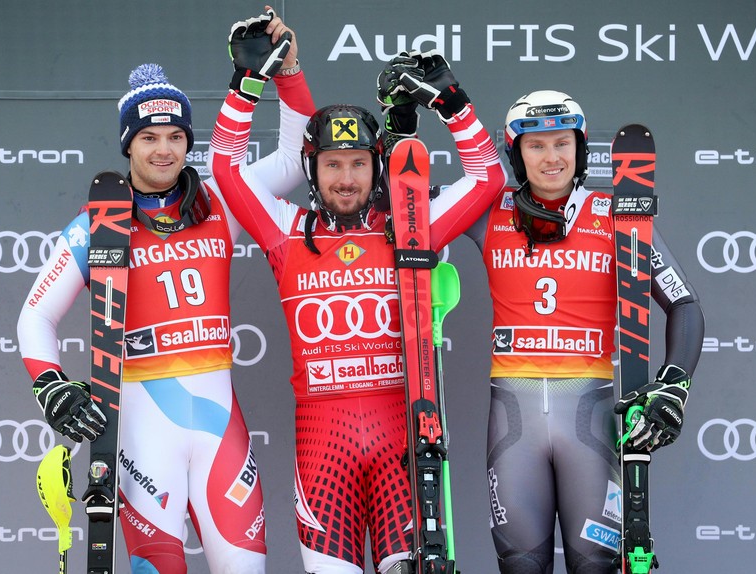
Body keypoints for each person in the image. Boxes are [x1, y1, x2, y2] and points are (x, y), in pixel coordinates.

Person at [16, 10, 314, 573]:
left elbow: (296, 159)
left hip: (221, 429)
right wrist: (51, 387)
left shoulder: (219, 204)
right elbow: (35, 316)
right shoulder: (98, 224)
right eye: (149, 137)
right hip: (141, 430)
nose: (164, 150)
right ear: (127, 144)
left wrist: (289, 72)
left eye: (176, 136)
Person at [210, 45, 506, 572]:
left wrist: (454, 103)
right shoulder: (285, 232)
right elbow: (225, 170)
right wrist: (249, 81)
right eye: (331, 164)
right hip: (322, 455)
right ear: (311, 168)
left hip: (403, 445)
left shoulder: (413, 225)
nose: (346, 179)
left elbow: (489, 178)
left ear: (377, 167)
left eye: (358, 163)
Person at [463, 90, 706, 573]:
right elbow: (405, 211)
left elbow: (685, 304)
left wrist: (674, 382)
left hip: (590, 419)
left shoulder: (617, 215)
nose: (551, 158)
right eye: (536, 146)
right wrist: (402, 127)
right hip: (514, 420)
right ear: (516, 153)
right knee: (520, 563)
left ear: (579, 149)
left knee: (596, 564)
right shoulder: (488, 210)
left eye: (562, 143)